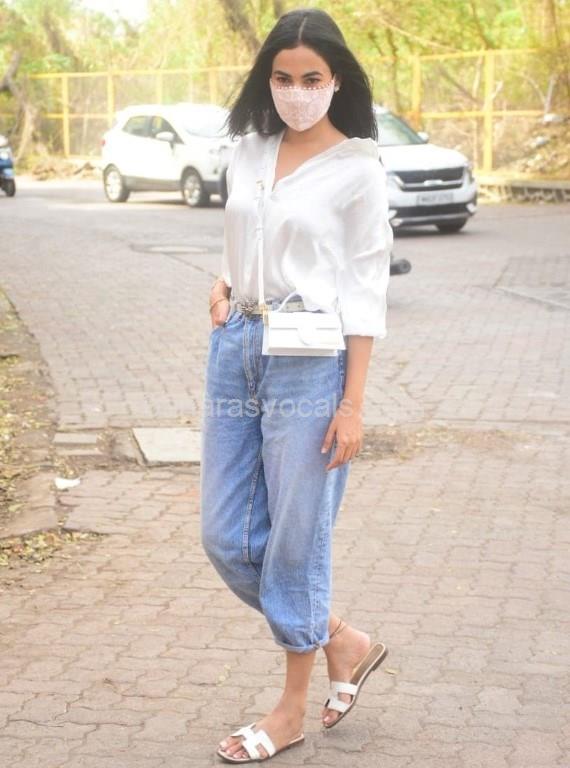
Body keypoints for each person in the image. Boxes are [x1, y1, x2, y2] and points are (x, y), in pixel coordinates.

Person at [200, 7, 393, 763]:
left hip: (312, 360)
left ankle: (289, 711)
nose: (296, 91)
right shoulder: (247, 149)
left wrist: (353, 404)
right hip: (236, 347)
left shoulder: (357, 168)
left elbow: (365, 286)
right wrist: (222, 282)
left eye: (311, 78)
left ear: (335, 80)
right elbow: (242, 236)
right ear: (267, 80)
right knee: (224, 536)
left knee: (296, 535)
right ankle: (341, 637)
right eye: (283, 77)